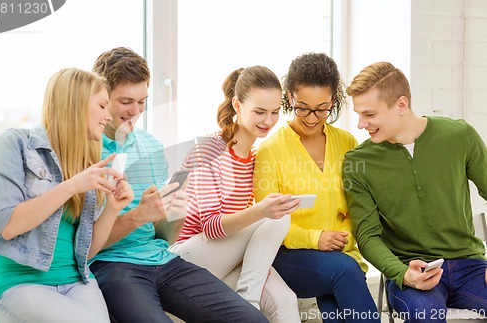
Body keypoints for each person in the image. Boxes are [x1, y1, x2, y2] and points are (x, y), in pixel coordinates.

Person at [88, 47, 268, 323]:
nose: (135, 112)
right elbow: (84, 246)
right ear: (100, 96)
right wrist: (138, 216)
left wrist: (176, 211)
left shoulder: (150, 145)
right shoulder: (84, 151)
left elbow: (165, 238)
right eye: (126, 101)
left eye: (142, 101)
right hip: (112, 265)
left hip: (162, 260)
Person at [343, 61, 487, 322]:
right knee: (425, 315)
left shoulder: (460, 136)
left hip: (471, 266)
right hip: (411, 270)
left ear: (401, 105)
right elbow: (367, 236)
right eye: (359, 114)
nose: (361, 124)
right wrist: (402, 273)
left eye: (370, 114)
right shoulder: (358, 162)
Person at [0, 68, 134, 323]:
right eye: (101, 106)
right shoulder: (14, 143)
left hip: (76, 281)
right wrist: (71, 186)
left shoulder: (86, 163)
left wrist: (113, 207)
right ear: (75, 105)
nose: (108, 116)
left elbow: (86, 252)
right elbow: (8, 226)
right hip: (20, 284)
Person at [253, 52, 380, 323]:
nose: (312, 117)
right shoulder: (271, 150)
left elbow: (358, 206)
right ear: (289, 97)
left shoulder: (347, 143)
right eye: (303, 107)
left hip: (340, 253)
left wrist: (341, 238)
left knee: (336, 307)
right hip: (289, 255)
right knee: (346, 271)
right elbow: (268, 221)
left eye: (322, 108)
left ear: (333, 101)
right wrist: (316, 239)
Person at [169, 66, 302, 322]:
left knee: (286, 301)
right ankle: (248, 302)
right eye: (259, 112)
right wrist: (261, 210)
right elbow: (210, 228)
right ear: (237, 106)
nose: (268, 121)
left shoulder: (255, 157)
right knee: (276, 216)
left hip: (225, 253)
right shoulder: (209, 149)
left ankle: (247, 299)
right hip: (187, 256)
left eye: (275, 112)